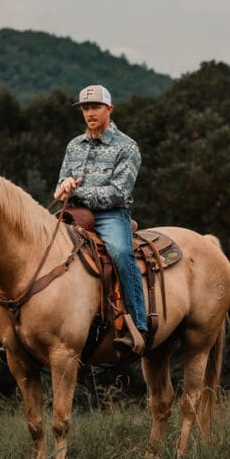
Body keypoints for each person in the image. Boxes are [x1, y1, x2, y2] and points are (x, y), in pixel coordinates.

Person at [54, 84, 147, 354]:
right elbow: (61, 182)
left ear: (109, 109)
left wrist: (78, 190)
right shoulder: (74, 146)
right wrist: (63, 187)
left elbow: (118, 193)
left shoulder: (127, 147)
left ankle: (137, 326)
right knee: (40, 243)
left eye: (95, 107)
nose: (90, 113)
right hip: (73, 213)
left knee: (120, 252)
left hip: (110, 215)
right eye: (85, 108)